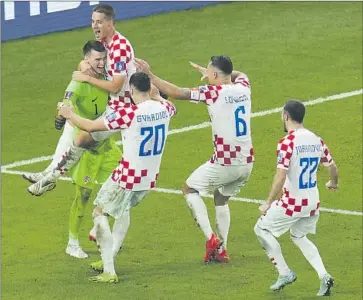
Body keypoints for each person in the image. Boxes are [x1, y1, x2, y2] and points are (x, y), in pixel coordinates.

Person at [58, 72, 177, 283]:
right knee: (122, 211)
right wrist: (158, 96)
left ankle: (109, 271)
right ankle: (108, 257)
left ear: (131, 91)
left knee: (99, 213)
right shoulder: (164, 109)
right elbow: (172, 107)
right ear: (150, 89)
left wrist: (69, 114)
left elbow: (91, 127)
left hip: (128, 177)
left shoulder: (129, 113)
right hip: (148, 177)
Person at [135, 56, 254, 263]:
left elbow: (178, 93)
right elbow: (239, 74)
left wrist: (151, 75)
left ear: (215, 75)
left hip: (226, 162)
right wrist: (214, 73)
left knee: (189, 189)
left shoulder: (213, 92)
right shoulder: (244, 86)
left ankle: (210, 239)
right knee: (220, 198)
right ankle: (222, 250)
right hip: (247, 162)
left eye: (209, 72)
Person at [27, 4, 137, 196]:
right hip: (111, 103)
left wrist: (87, 78)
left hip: (125, 109)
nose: (94, 26)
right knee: (72, 123)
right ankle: (48, 173)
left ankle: (51, 179)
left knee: (82, 138)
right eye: (93, 21)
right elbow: (87, 62)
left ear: (110, 23)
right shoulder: (104, 44)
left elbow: (116, 86)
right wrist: (84, 66)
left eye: (99, 22)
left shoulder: (119, 48)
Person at [253, 100, 338, 296]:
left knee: (261, 229)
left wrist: (268, 202)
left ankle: (285, 273)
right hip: (312, 201)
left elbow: (281, 175)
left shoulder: (287, 142)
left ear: (286, 116)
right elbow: (332, 166)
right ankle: (323, 275)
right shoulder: (317, 140)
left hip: (292, 202)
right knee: (298, 235)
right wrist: (333, 183)